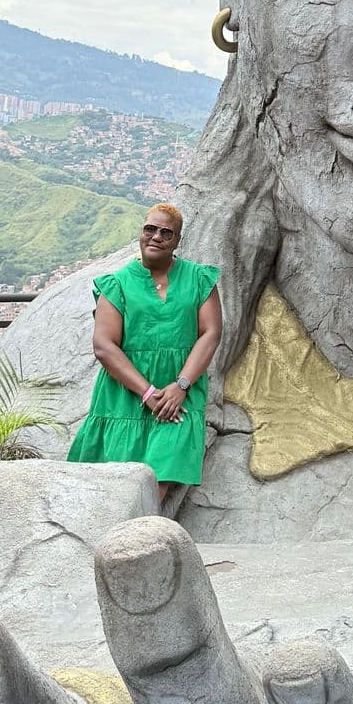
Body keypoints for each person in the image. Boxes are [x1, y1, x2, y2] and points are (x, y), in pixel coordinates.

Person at [66, 202, 222, 508]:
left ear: (177, 240)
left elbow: (211, 333)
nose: (156, 237)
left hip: (177, 398)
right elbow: (104, 345)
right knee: (111, 487)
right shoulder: (118, 284)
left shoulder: (200, 279)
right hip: (124, 397)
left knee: (153, 484)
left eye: (166, 232)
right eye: (150, 229)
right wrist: (147, 392)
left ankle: (133, 546)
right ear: (141, 233)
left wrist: (181, 386)